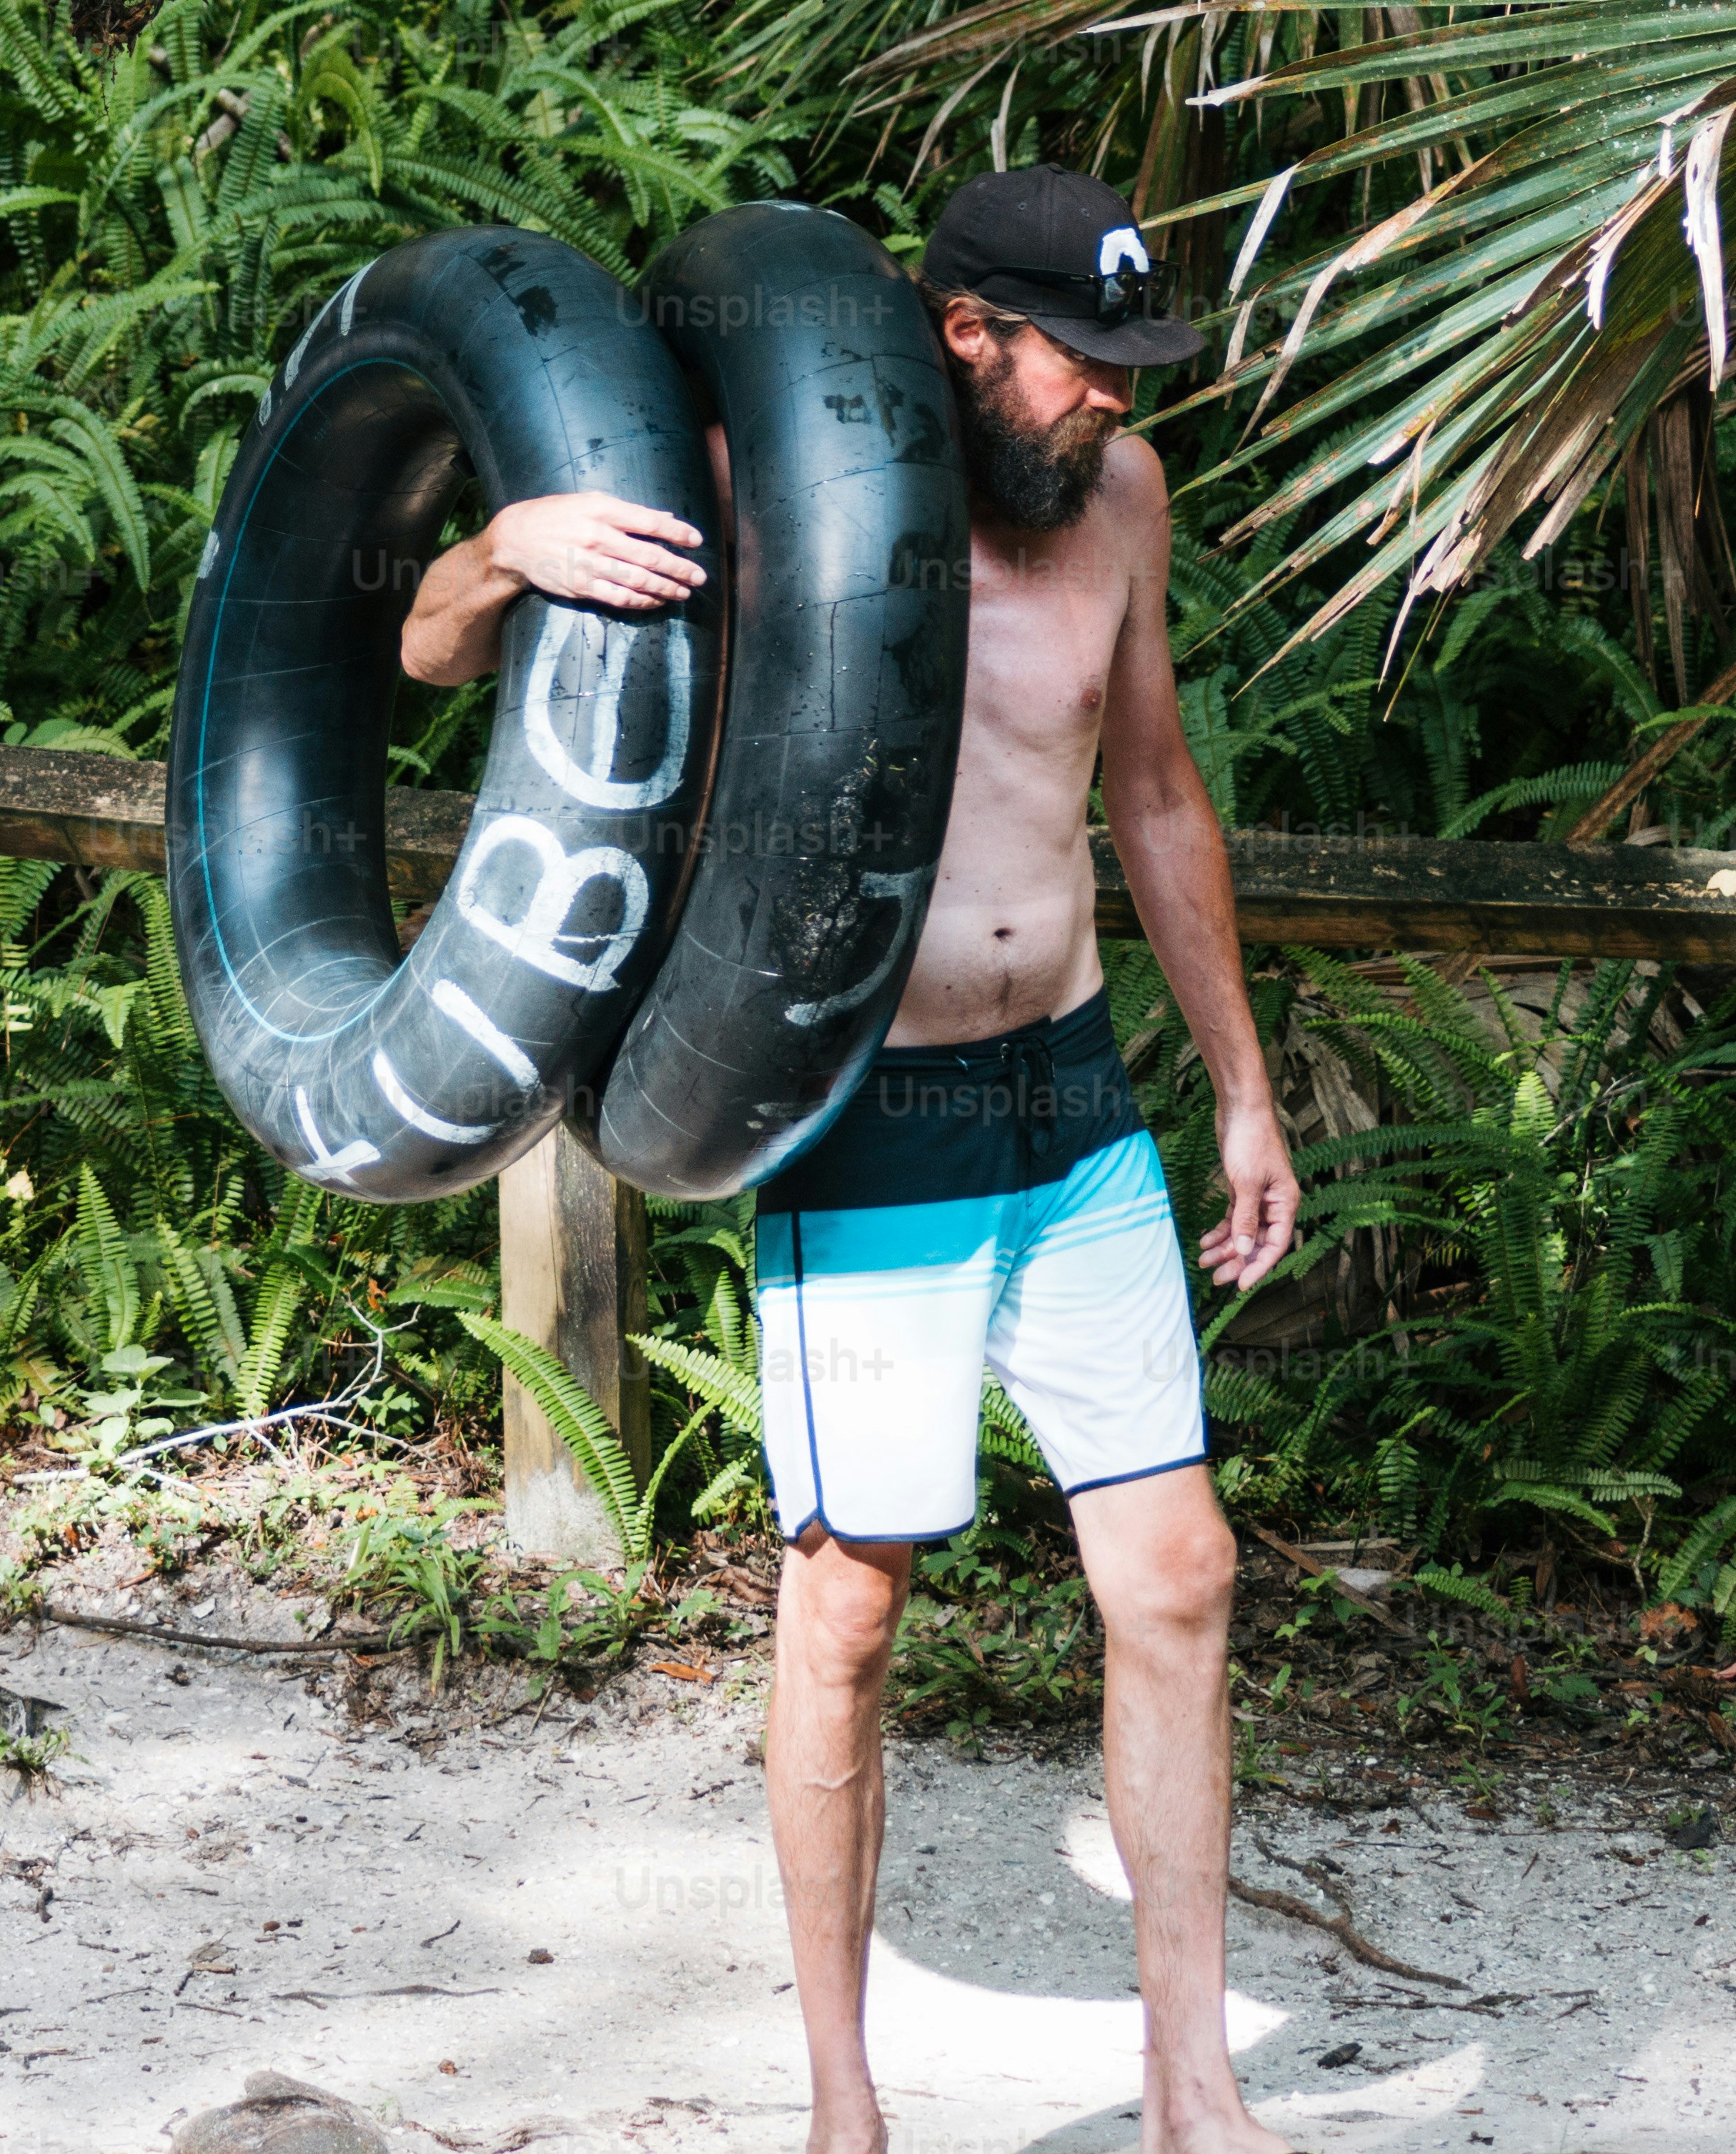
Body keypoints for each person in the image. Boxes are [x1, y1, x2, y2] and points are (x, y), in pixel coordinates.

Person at [395, 165, 1303, 2154]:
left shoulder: (1120, 510)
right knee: (854, 1600)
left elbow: (1151, 790)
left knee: (1177, 1574)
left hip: (1068, 1098)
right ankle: (842, 2104)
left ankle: (1194, 2093)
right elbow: (430, 658)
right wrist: (504, 548)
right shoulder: (758, 485)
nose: (1117, 409)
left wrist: (1235, 1078)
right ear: (964, 339)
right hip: (869, 1109)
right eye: (1086, 366)